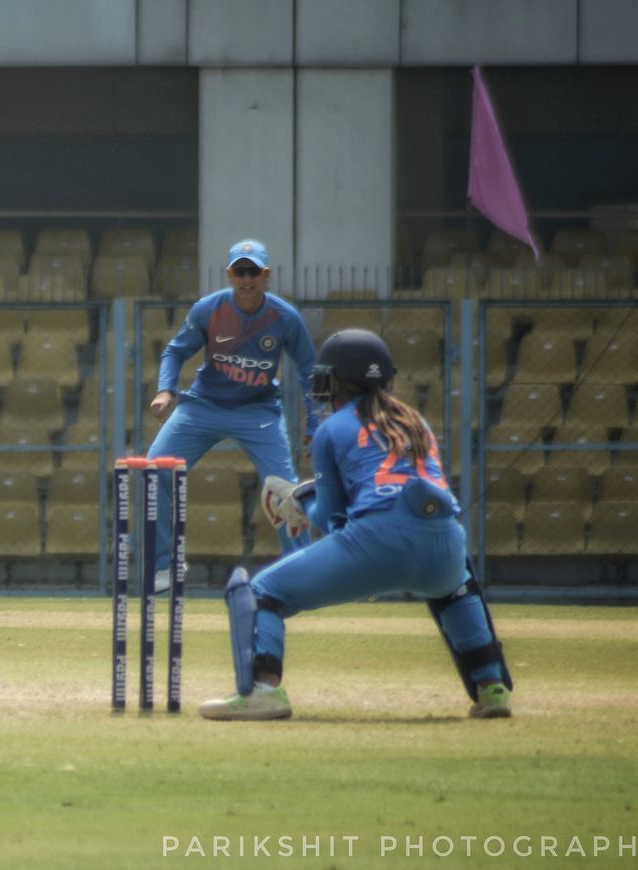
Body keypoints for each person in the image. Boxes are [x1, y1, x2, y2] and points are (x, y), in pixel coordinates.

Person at [198, 328, 513, 721]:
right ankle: (492, 689)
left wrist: (299, 502)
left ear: (332, 380)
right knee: (456, 589)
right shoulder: (415, 421)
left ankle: (264, 692)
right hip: (446, 542)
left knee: (262, 593)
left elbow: (332, 521)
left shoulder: (331, 428)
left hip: (378, 541)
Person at [147, 238, 319, 591]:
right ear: (229, 274)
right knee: (155, 469)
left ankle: (303, 574)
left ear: (266, 275)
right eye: (240, 271)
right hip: (203, 406)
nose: (246, 279)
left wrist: (315, 426)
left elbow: (310, 371)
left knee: (287, 492)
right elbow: (175, 351)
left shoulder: (285, 317)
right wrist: (167, 391)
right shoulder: (208, 310)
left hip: (258, 412)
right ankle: (165, 564)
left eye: (253, 271)